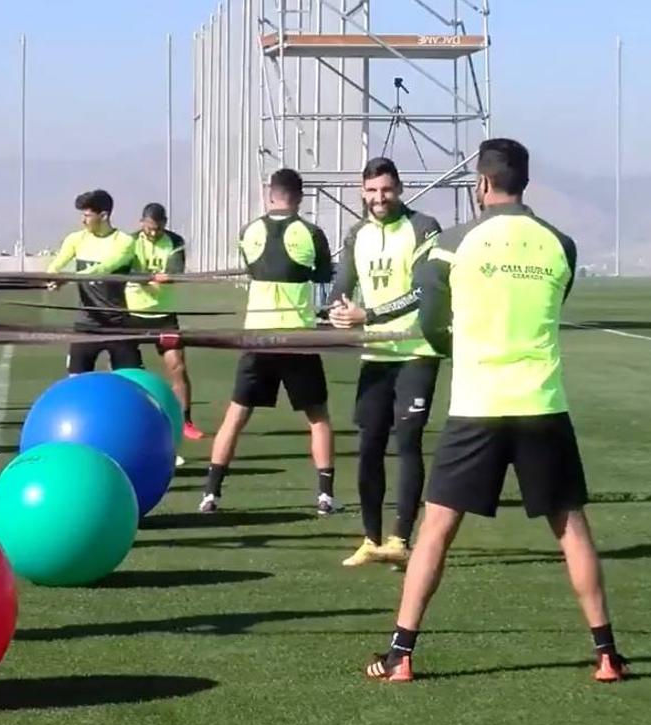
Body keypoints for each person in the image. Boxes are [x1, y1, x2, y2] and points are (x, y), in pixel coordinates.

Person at [365, 138, 628, 683]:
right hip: (542, 405)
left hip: (476, 405)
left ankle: (400, 655)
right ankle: (606, 654)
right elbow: (553, 303)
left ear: (481, 183)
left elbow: (432, 323)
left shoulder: (449, 245)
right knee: (571, 528)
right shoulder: (561, 245)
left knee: (435, 530)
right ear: (524, 182)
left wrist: (458, 347)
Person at [199, 169, 338, 516]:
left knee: (235, 416)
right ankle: (325, 496)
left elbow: (252, 268)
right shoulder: (312, 233)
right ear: (300, 197)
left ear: (269, 195)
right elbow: (323, 275)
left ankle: (211, 494)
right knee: (318, 417)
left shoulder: (248, 231)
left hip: (257, 337)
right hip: (297, 337)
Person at [326, 157, 442, 568]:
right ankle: (371, 540)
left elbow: (422, 291)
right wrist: (336, 309)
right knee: (369, 445)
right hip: (375, 354)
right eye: (373, 191)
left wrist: (369, 315)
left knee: (407, 442)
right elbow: (342, 284)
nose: (380, 198)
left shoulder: (424, 227)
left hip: (416, 351)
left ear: (400, 189)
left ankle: (400, 540)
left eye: (387, 189)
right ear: (363, 192)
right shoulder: (357, 233)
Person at [126, 203, 205, 441]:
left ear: (165, 224)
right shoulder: (129, 241)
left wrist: (147, 277)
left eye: (158, 228)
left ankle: (185, 421)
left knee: (177, 367)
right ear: (141, 222)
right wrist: (150, 277)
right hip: (131, 314)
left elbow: (174, 272)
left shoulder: (175, 241)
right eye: (149, 227)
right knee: (124, 370)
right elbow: (125, 271)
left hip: (164, 317)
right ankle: (124, 419)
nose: (153, 232)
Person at [47, 189, 142, 373]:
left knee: (129, 380)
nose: (83, 221)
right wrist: (54, 278)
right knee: (76, 379)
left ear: (104, 216)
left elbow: (103, 269)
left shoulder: (125, 241)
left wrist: (69, 278)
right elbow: (55, 266)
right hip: (86, 324)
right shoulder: (76, 239)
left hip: (118, 325)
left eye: (87, 216)